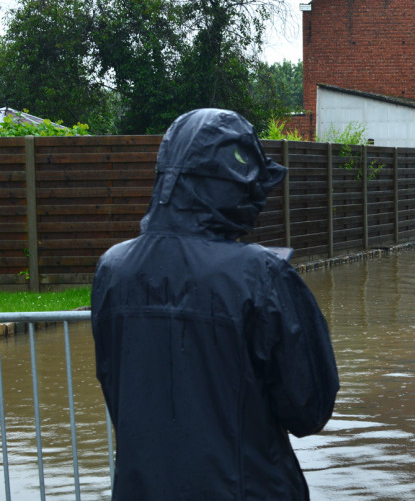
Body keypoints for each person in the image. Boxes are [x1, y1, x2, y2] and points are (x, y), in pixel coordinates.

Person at [91, 108, 339, 500]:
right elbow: (309, 408)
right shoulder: (261, 275)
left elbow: (116, 386)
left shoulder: (112, 270)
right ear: (235, 186)